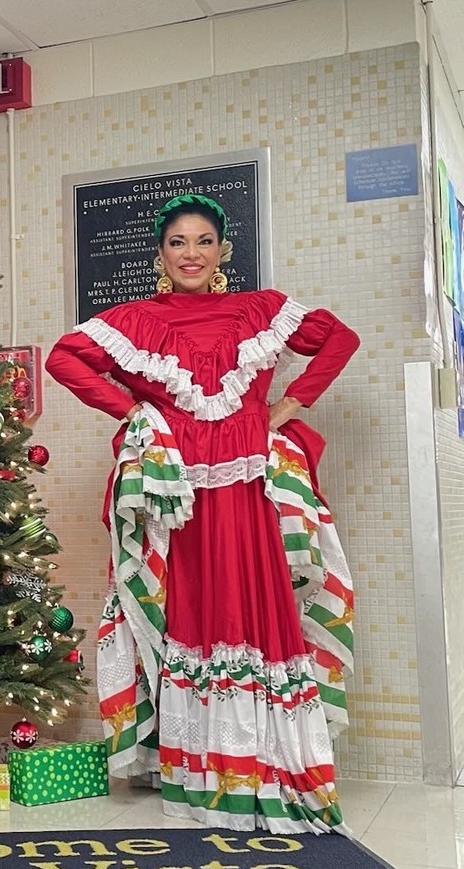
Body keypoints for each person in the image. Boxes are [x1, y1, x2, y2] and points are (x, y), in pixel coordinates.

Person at [47, 193, 358, 834]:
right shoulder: (136, 320)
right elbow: (63, 358)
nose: (191, 254)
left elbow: (339, 339)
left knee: (255, 610)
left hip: (247, 488)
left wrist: (294, 402)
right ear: (160, 254)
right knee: (188, 611)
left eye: (203, 241)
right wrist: (133, 412)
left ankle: (268, 764)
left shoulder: (260, 310)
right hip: (180, 494)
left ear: (222, 251)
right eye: (178, 243)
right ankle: (201, 772)